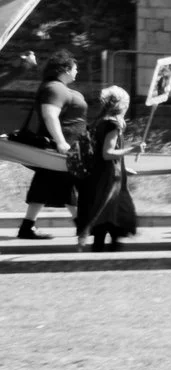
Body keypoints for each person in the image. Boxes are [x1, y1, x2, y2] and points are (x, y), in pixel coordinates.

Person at [14, 54, 86, 240]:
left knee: (49, 184)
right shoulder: (55, 88)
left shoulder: (57, 87)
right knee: (63, 182)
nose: (77, 71)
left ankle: (27, 227)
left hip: (61, 149)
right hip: (57, 149)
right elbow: (50, 115)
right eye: (75, 67)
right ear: (65, 69)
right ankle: (82, 225)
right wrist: (61, 142)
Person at [74, 84, 138, 251]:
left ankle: (101, 253)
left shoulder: (99, 121)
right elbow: (107, 153)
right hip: (108, 178)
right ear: (121, 104)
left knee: (105, 218)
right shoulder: (112, 124)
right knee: (111, 216)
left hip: (100, 175)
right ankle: (108, 256)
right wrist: (133, 149)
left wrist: (123, 168)